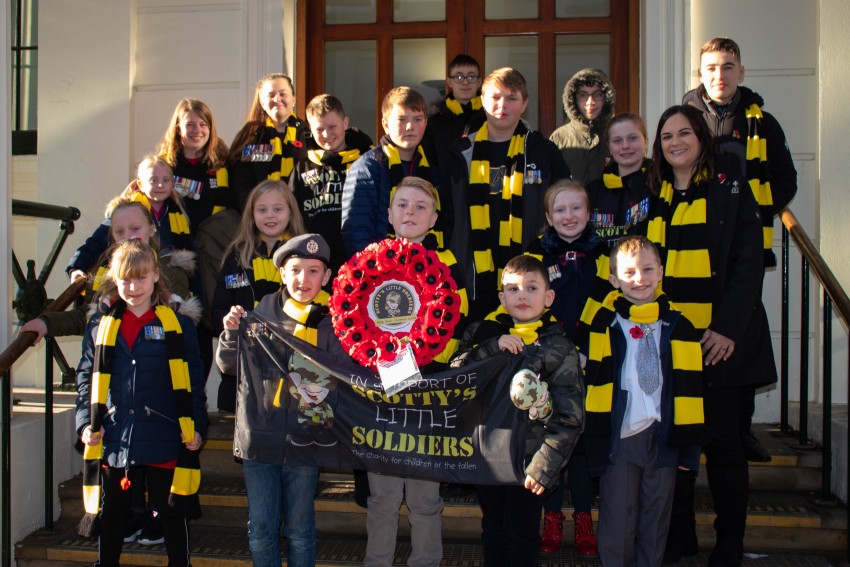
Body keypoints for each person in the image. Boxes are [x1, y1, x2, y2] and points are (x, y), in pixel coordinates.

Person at [645, 105, 766, 567]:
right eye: (667, 135)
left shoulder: (729, 187)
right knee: (673, 447)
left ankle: (730, 543)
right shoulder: (652, 194)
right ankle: (680, 540)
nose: (675, 142)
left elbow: (747, 262)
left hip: (718, 345)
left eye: (684, 133)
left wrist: (727, 329)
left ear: (701, 137)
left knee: (723, 449)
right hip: (667, 346)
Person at [683, 36, 797, 464]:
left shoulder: (763, 124)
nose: (720, 75)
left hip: (743, 247)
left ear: (741, 73)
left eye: (728, 66)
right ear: (701, 74)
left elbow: (785, 180)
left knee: (743, 339)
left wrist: (746, 210)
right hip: (694, 247)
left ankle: (741, 428)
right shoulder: (685, 120)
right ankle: (694, 422)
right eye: (711, 68)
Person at [75, 239, 207, 567]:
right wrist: (84, 424)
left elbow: (193, 383)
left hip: (165, 432)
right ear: (114, 280)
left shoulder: (177, 324)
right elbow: (84, 382)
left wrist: (198, 427)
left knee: (171, 514)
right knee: (114, 513)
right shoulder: (98, 326)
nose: (134, 287)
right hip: (115, 433)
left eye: (142, 277)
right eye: (126, 279)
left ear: (156, 276)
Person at [451, 255, 584, 566]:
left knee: (523, 536)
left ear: (548, 297)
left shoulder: (560, 348)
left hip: (528, 463)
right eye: (512, 289)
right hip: (486, 457)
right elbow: (454, 376)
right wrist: (491, 347)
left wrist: (543, 467)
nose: (522, 295)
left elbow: (570, 417)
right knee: (493, 529)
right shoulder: (482, 333)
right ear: (501, 297)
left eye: (532, 288)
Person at [363, 176, 468, 567]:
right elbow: (352, 322)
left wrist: (429, 367)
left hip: (428, 394)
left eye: (420, 207)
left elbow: (459, 321)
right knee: (382, 498)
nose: (410, 213)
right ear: (389, 214)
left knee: (425, 498)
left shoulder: (449, 264)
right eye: (403, 205)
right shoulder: (368, 263)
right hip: (382, 396)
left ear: (435, 218)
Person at [583, 235, 706, 567]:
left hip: (665, 435)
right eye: (629, 272)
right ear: (613, 279)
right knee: (618, 520)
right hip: (621, 435)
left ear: (661, 271)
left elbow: (691, 391)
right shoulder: (604, 325)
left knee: (656, 520)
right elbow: (592, 383)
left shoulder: (680, 326)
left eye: (648, 269)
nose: (640, 279)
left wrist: (690, 450)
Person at [216, 233, 334, 567]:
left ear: (326, 277)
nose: (304, 279)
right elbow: (228, 365)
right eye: (296, 269)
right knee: (261, 530)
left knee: (299, 529)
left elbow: (343, 374)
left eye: (314, 271)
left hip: (305, 438)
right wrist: (230, 334)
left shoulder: (332, 320)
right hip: (261, 436)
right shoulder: (260, 314)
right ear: (281, 272)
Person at [446, 67, 571, 322]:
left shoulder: (544, 152)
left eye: (512, 98)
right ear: (482, 100)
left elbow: (565, 205)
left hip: (527, 278)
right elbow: (446, 214)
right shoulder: (459, 153)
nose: (502, 105)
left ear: (524, 103)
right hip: (472, 277)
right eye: (495, 97)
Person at [524, 179, 607, 557]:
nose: (568, 216)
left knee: (583, 444)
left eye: (576, 209)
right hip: (549, 360)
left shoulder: (603, 251)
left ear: (589, 214)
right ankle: (552, 516)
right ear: (548, 216)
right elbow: (530, 303)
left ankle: (585, 517)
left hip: (591, 357)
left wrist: (586, 349)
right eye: (560, 210)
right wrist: (556, 353)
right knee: (551, 437)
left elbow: (607, 302)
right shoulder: (537, 253)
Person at [23, 197, 195, 343]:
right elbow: (89, 318)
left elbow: (179, 328)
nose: (128, 236)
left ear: (151, 229)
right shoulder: (105, 272)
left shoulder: (171, 271)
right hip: (111, 365)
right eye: (120, 231)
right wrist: (46, 323)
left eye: (135, 229)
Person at [210, 179, 305, 412]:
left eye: (278, 209)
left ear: (291, 212)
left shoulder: (304, 254)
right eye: (262, 210)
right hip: (243, 367)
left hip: (289, 367)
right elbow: (218, 310)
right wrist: (232, 323)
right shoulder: (237, 256)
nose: (270, 216)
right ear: (251, 215)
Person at [341, 86, 447, 258]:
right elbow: (357, 232)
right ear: (385, 124)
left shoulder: (432, 171)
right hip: (382, 273)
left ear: (426, 123)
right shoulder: (367, 167)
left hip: (425, 269)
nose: (410, 126)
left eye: (417, 119)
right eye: (401, 120)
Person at [66, 155, 195, 286]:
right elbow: (96, 242)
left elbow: (191, 254)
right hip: (129, 276)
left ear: (172, 183)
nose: (160, 185)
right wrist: (75, 267)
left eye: (166, 180)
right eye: (153, 180)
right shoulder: (125, 211)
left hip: (165, 280)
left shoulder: (178, 215)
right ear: (140, 183)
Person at [290, 94, 373, 272]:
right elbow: (292, 215)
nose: (327, 134)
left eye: (332, 126)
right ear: (310, 130)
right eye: (319, 129)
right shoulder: (301, 168)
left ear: (345, 122)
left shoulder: (368, 160)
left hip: (362, 258)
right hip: (317, 262)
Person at [229, 73, 310, 210]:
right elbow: (240, 182)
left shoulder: (308, 134)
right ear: (261, 101)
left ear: (294, 99)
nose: (277, 99)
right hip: (258, 218)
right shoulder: (249, 136)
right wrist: (253, 214)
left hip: (299, 217)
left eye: (283, 94)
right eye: (271, 95)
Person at [156, 98, 234, 232]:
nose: (197, 130)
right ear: (178, 129)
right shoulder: (164, 165)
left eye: (203, 124)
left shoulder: (224, 162)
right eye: (190, 124)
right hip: (176, 242)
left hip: (214, 242)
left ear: (210, 128)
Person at [586, 113, 653, 247]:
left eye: (633, 138)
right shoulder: (592, 192)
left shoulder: (659, 185)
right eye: (617, 141)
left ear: (646, 141)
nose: (625, 146)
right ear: (609, 147)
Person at [549, 68, 616, 186]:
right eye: (583, 95)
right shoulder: (560, 137)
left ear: (606, 98)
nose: (591, 101)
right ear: (573, 99)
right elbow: (551, 185)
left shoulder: (616, 133)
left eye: (598, 94)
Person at [424, 53, 486, 170]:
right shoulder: (433, 122)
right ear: (449, 82)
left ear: (479, 82)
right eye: (458, 77)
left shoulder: (491, 118)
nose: (465, 82)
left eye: (471, 77)